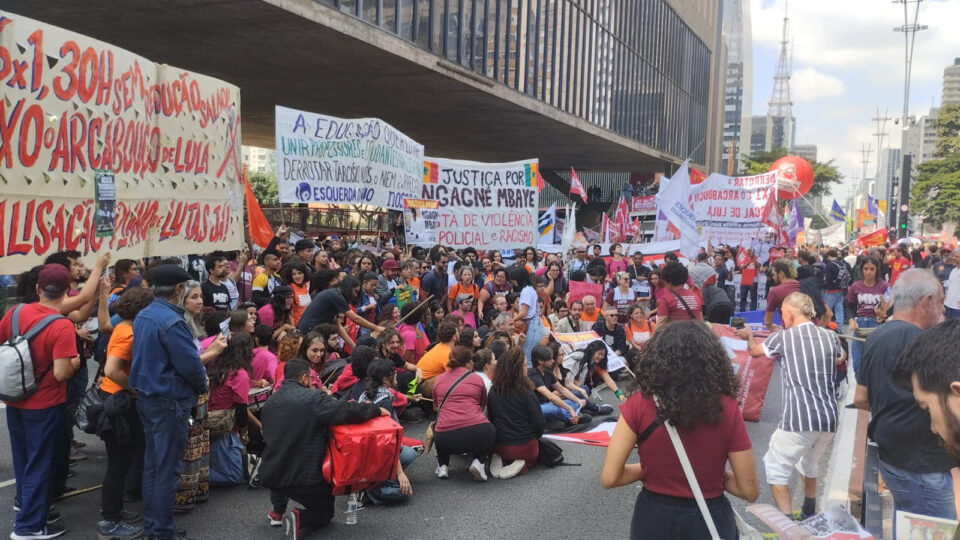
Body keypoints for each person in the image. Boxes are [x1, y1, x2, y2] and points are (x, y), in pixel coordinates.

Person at [601, 322, 758, 540]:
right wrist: (708, 473)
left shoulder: (638, 405)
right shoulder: (727, 408)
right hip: (708, 516)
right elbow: (748, 490)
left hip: (653, 518)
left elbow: (610, 477)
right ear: (712, 360)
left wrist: (650, 468)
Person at [854, 269, 955, 524]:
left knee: (908, 520)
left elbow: (860, 397)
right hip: (922, 464)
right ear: (927, 302)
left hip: (891, 457)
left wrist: (892, 409)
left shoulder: (876, 336)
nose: (943, 310)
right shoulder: (927, 344)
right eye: (941, 302)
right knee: (932, 528)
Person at [738, 293, 844, 519]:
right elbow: (839, 357)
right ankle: (808, 513)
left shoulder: (783, 338)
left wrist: (749, 336)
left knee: (776, 468)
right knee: (810, 463)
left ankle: (788, 528)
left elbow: (755, 352)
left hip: (799, 418)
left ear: (791, 313)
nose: (781, 318)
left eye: (783, 313)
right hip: (829, 418)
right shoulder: (830, 336)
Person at [260, 359, 387, 539]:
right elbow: (346, 411)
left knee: (281, 455)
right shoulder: (313, 398)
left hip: (271, 474)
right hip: (304, 478)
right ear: (304, 378)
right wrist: (375, 410)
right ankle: (298, 518)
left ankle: (277, 512)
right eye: (311, 379)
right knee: (325, 513)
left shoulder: (270, 404)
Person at [2, 264, 82, 540]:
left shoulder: (15, 312)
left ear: (38, 288)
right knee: (40, 463)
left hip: (14, 397)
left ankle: (25, 506)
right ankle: (29, 527)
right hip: (44, 402)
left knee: (23, 460)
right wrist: (73, 362)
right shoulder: (61, 325)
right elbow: (61, 373)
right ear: (66, 291)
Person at [130, 264, 209, 540]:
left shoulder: (145, 315)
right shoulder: (173, 322)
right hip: (168, 401)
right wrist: (202, 385)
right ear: (178, 290)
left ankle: (154, 527)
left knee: (154, 466)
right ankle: (161, 531)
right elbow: (191, 366)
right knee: (165, 470)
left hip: (148, 398)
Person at [97, 288, 154, 540]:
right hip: (119, 402)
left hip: (116, 398)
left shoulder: (124, 327)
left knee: (121, 460)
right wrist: (135, 389)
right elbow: (111, 369)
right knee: (118, 464)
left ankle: (116, 511)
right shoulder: (129, 333)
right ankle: (110, 522)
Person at [432, 346, 495, 481]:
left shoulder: (438, 380)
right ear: (468, 362)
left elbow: (436, 408)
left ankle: (443, 465)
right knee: (491, 430)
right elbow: (482, 405)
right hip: (477, 432)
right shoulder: (477, 379)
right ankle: (478, 462)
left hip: (445, 438)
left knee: (439, 424)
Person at [207, 333, 260, 486]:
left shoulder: (218, 367)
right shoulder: (239, 374)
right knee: (233, 476)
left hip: (211, 422)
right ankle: (187, 478)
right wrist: (244, 434)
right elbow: (241, 409)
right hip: (224, 431)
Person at [487, 347, 546, 479]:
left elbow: (491, 417)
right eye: (525, 365)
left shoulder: (493, 390)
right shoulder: (526, 392)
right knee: (534, 456)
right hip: (524, 446)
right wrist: (535, 436)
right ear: (517, 369)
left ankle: (500, 458)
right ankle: (523, 464)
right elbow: (538, 422)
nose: (528, 367)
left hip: (499, 445)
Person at [529, 345, 592, 429]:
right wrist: (570, 409)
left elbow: (562, 389)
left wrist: (578, 400)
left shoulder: (547, 372)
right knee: (555, 408)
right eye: (550, 359)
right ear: (540, 361)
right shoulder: (533, 374)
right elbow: (550, 396)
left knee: (574, 402)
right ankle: (570, 420)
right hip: (537, 408)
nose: (553, 360)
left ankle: (552, 421)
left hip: (548, 404)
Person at [845, 257, 890, 373]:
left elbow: (891, 308)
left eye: (872, 269)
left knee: (877, 364)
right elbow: (850, 306)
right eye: (865, 269)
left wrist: (884, 314)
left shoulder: (885, 286)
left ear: (877, 270)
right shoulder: (855, 286)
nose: (868, 272)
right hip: (860, 325)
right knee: (858, 364)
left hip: (878, 325)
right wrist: (851, 320)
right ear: (861, 270)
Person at [563, 340, 628, 402]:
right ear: (592, 352)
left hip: (578, 387)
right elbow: (567, 377)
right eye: (599, 354)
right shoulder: (580, 357)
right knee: (584, 388)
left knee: (590, 383)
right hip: (567, 385)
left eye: (603, 355)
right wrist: (578, 385)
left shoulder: (595, 363)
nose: (600, 357)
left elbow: (607, 378)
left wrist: (618, 393)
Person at [510, 266, 545, 367]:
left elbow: (524, 312)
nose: (514, 283)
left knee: (528, 357)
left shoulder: (526, 291)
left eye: (514, 280)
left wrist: (511, 320)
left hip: (532, 325)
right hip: (535, 324)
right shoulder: (531, 289)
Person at [416, 321, 459, 398]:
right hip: (424, 385)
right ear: (454, 337)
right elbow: (454, 377)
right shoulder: (447, 353)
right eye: (457, 332)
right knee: (451, 377)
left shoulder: (440, 345)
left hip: (423, 381)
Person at [765, 259, 800, 329]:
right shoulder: (807, 286)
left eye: (774, 274)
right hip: (813, 333)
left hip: (791, 334)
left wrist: (775, 331)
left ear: (781, 274)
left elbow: (767, 322)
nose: (773, 277)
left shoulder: (776, 291)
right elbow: (827, 313)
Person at [737, 248, 759, 312]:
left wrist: (753, 259)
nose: (749, 252)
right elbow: (740, 268)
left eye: (750, 250)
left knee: (753, 296)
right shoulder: (743, 258)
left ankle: (753, 311)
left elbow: (758, 266)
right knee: (743, 296)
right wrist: (747, 264)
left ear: (753, 251)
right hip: (745, 279)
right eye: (748, 250)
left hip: (753, 279)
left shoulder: (756, 258)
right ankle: (742, 310)